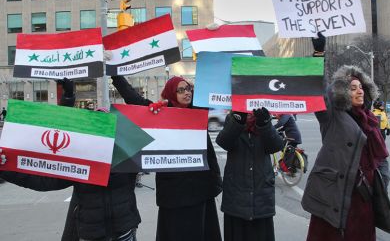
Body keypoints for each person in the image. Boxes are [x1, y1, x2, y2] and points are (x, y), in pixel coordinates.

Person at [0, 78, 141, 241]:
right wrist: (7, 168)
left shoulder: (126, 159)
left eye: (106, 130)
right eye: (97, 130)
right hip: (92, 233)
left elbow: (145, 119)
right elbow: (44, 180)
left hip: (124, 230)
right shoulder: (80, 162)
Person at [111, 75, 223, 241]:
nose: (187, 93)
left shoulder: (197, 111)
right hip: (174, 193)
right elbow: (133, 99)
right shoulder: (160, 112)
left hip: (200, 190)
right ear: (171, 93)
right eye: (181, 90)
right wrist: (116, 76)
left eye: (188, 89)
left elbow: (211, 91)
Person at [301, 34, 390, 241]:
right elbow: (319, 91)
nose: (359, 91)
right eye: (353, 88)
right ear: (343, 93)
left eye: (361, 87)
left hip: (364, 199)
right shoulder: (333, 116)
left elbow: (381, 158)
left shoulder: (372, 120)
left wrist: (381, 182)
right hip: (335, 198)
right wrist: (319, 54)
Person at [215, 108, 284, 241]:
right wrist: (238, 120)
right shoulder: (233, 117)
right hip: (236, 197)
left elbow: (275, 146)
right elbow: (223, 142)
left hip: (261, 196)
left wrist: (264, 124)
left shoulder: (264, 118)